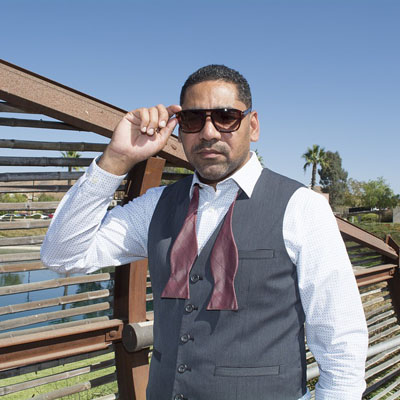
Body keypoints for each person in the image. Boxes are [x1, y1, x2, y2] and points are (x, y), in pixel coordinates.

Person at [41, 65, 368, 400]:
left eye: (226, 117)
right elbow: (62, 255)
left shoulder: (301, 207)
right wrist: (116, 159)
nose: (209, 132)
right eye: (193, 119)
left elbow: (340, 338)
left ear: (253, 125)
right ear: (179, 128)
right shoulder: (156, 205)